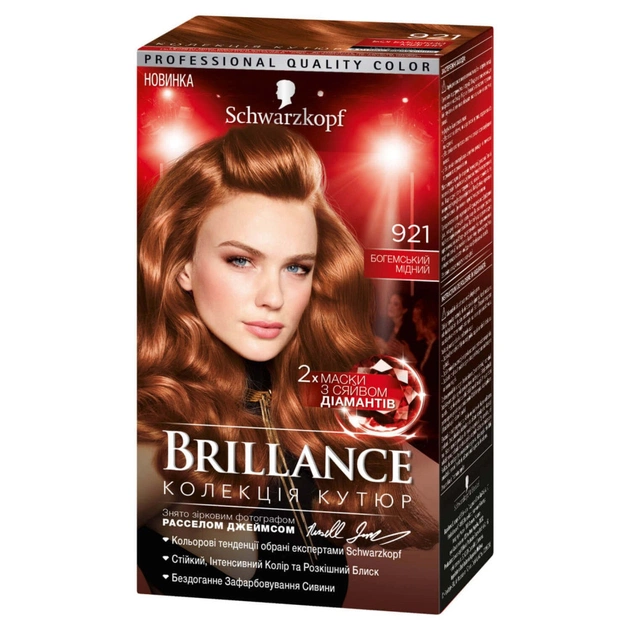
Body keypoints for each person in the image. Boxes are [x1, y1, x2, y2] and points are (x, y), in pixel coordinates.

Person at [137, 125, 438, 604]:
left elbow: (453, 498)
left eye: (297, 267)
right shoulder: (158, 440)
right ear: (183, 266)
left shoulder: (302, 402)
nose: (274, 297)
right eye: (241, 260)